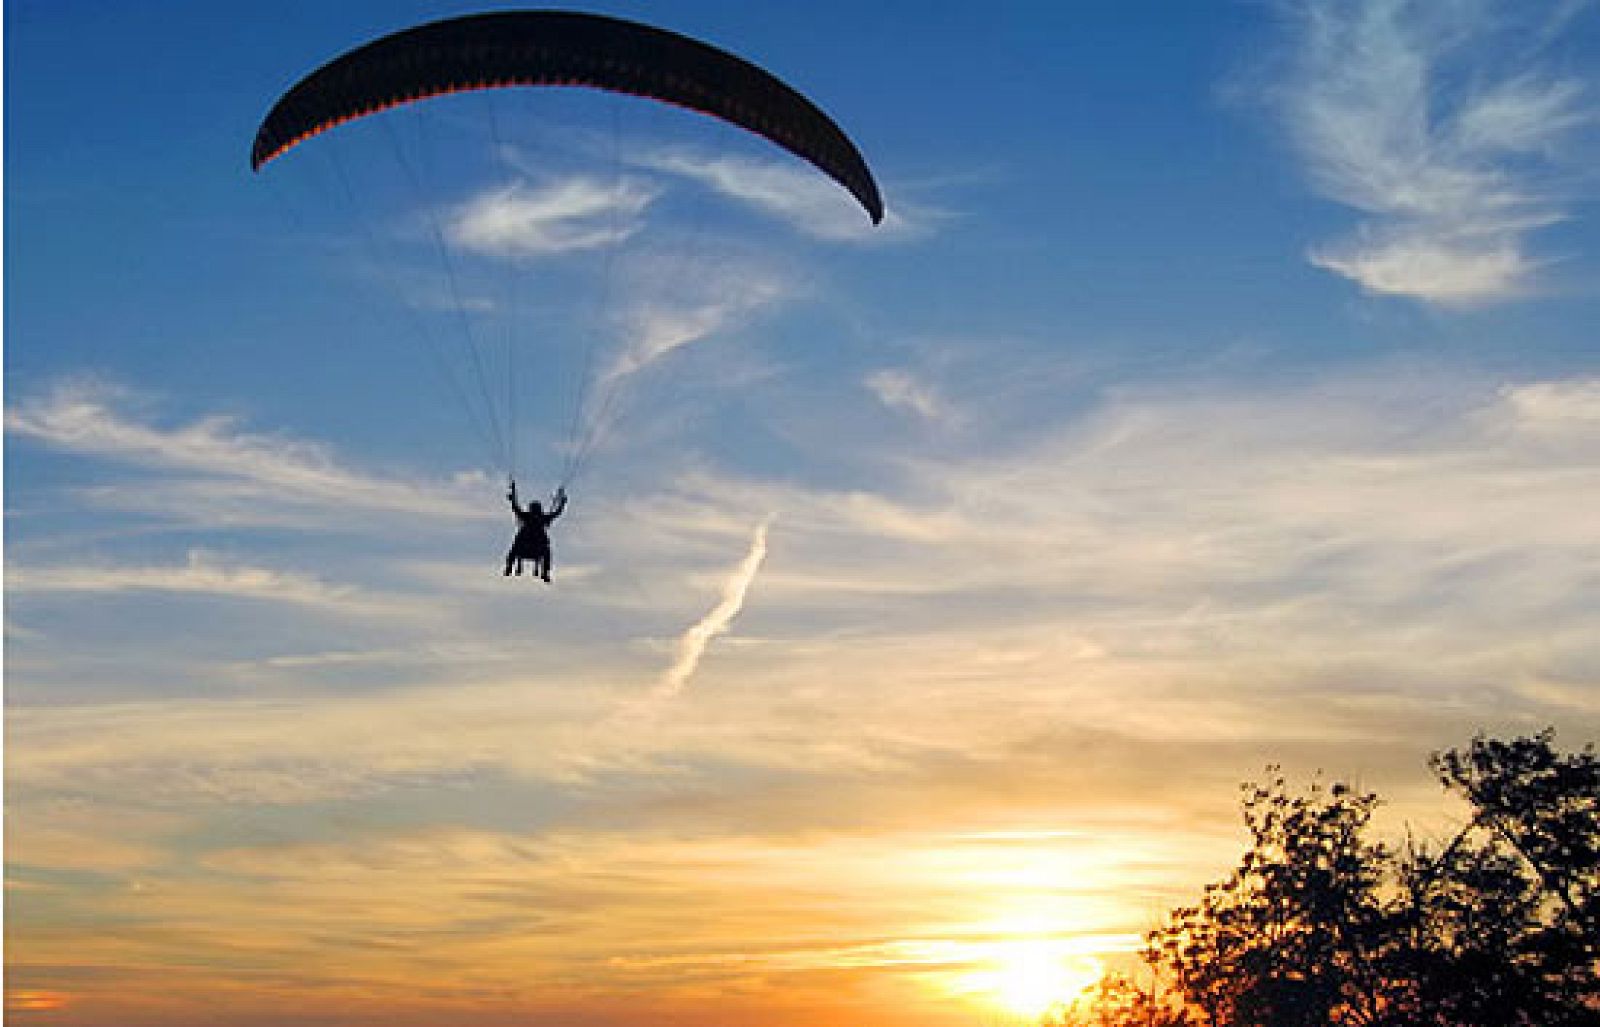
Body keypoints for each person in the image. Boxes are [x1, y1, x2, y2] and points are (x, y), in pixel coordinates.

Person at [504, 481, 567, 581]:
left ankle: (510, 567)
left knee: (515, 549)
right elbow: (557, 513)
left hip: (527, 549)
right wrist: (562, 504)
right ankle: (544, 572)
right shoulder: (541, 518)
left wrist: (513, 497)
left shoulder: (527, 517)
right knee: (544, 552)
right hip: (532, 549)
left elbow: (515, 508)